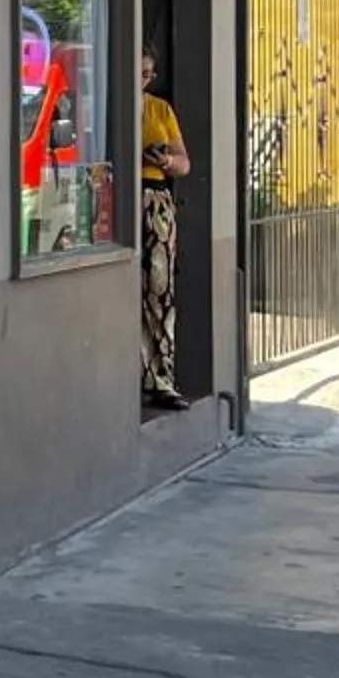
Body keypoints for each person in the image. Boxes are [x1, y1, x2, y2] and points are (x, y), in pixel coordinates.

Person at [140, 46, 191, 408]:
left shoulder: (160, 109)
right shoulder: (108, 99)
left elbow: (185, 163)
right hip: (120, 196)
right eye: (140, 72)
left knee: (159, 289)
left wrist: (167, 160)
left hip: (156, 199)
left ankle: (160, 377)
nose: (144, 79)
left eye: (149, 74)